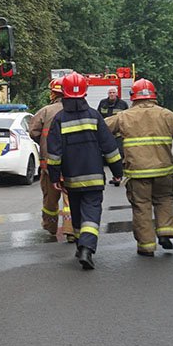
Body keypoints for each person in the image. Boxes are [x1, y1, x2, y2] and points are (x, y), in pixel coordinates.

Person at [105, 79, 173, 257]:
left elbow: (101, 129)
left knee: (142, 207)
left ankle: (147, 246)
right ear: (153, 95)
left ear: (133, 97)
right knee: (164, 200)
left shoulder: (124, 117)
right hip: (164, 171)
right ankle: (166, 233)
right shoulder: (167, 115)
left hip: (138, 173)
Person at [46, 72, 123, 269]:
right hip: (94, 177)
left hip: (71, 179)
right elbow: (109, 146)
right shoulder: (94, 116)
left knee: (78, 214)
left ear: (63, 93)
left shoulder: (59, 119)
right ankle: (87, 248)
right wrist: (117, 170)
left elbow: (54, 153)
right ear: (85, 93)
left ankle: (81, 246)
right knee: (91, 212)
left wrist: (55, 177)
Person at [28, 78, 71, 239]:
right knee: (70, 198)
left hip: (48, 164)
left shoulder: (46, 111)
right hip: (72, 164)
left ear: (53, 93)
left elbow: (33, 132)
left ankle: (51, 226)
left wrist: (44, 143)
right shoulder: (77, 110)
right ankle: (70, 230)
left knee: (50, 198)